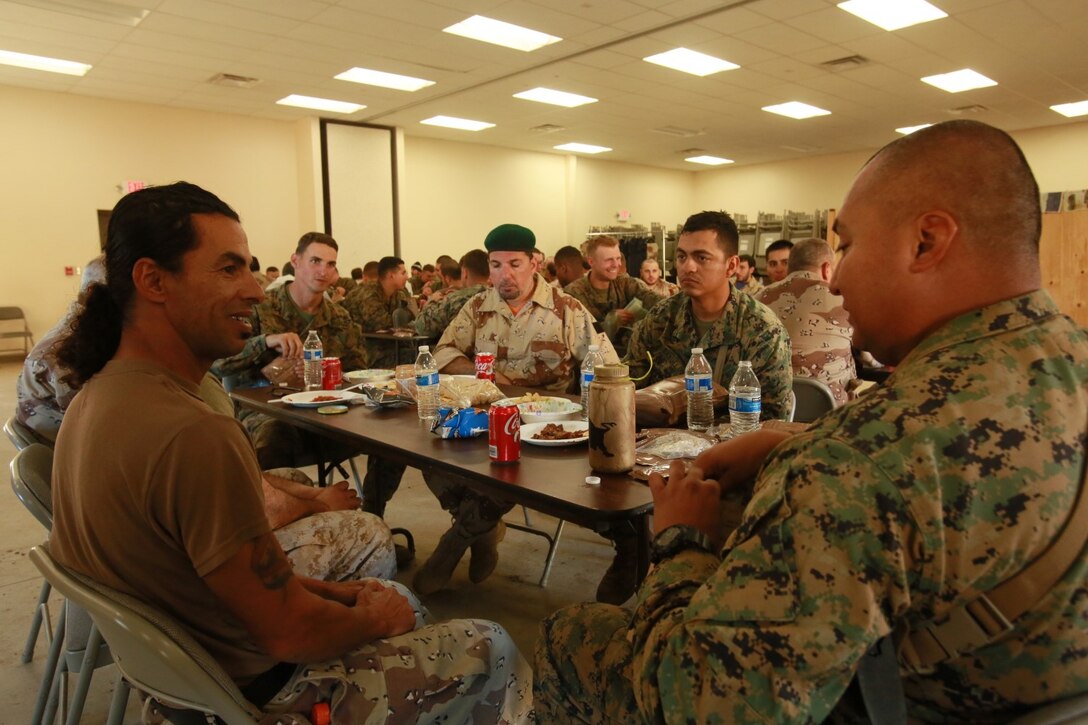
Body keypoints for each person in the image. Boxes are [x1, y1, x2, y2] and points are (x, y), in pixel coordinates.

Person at [535, 120, 1088, 723]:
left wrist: (682, 541)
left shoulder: (854, 467)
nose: (837, 276)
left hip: (882, 701)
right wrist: (792, 438)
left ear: (927, 242)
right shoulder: (1061, 362)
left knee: (569, 636)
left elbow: (702, 706)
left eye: (847, 245)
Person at [48, 182, 532, 723]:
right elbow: (290, 631)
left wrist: (343, 598)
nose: (255, 292)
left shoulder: (94, 398)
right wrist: (372, 619)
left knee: (397, 599)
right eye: (228, 269)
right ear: (152, 280)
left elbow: (230, 579)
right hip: (258, 694)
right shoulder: (195, 435)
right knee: (492, 643)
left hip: (185, 679)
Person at [413, 223, 618, 597]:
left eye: (515, 264)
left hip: (544, 431)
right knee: (430, 453)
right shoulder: (477, 307)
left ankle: (454, 543)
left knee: (505, 473)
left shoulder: (567, 310)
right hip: (486, 419)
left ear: (535, 263)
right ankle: (483, 529)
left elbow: (607, 368)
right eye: (495, 265)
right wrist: (483, 375)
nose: (504, 275)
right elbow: (443, 352)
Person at [212, 231, 367, 469]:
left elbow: (358, 370)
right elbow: (218, 363)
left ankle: (372, 504)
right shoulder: (258, 308)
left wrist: (326, 371)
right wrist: (265, 342)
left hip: (325, 410)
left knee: (382, 435)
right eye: (315, 261)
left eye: (330, 264)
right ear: (295, 261)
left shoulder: (339, 317)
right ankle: (275, 502)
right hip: (268, 412)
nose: (323, 271)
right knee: (275, 435)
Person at [624, 211, 793, 422]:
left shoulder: (763, 330)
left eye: (701, 257)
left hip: (731, 450)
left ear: (730, 266)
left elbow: (773, 423)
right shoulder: (659, 320)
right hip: (657, 448)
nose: (688, 267)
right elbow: (628, 393)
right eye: (682, 256)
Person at [16, 257, 106, 444]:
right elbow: (102, 425)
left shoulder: (85, 330)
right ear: (93, 293)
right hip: (66, 453)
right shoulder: (65, 352)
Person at [757, 237, 856, 406]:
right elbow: (870, 356)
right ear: (826, 269)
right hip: (830, 410)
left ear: (790, 267)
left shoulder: (758, 299)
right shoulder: (844, 298)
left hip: (770, 407)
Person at [563, 235, 662, 355]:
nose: (616, 264)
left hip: (628, 357)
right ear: (591, 262)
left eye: (618, 258)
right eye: (609, 260)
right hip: (593, 359)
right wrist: (610, 322)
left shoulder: (624, 283)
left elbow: (654, 299)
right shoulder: (574, 293)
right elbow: (579, 336)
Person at [342, 256, 414, 369]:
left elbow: (410, 319)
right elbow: (381, 323)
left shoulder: (398, 294)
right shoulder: (368, 293)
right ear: (391, 275)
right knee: (410, 357)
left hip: (384, 343)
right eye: (403, 273)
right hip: (361, 348)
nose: (407, 277)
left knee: (417, 352)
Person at [414, 249, 489, 338]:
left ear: (464, 273)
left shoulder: (457, 299)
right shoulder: (501, 296)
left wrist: (430, 302)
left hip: (459, 350)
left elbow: (422, 327)